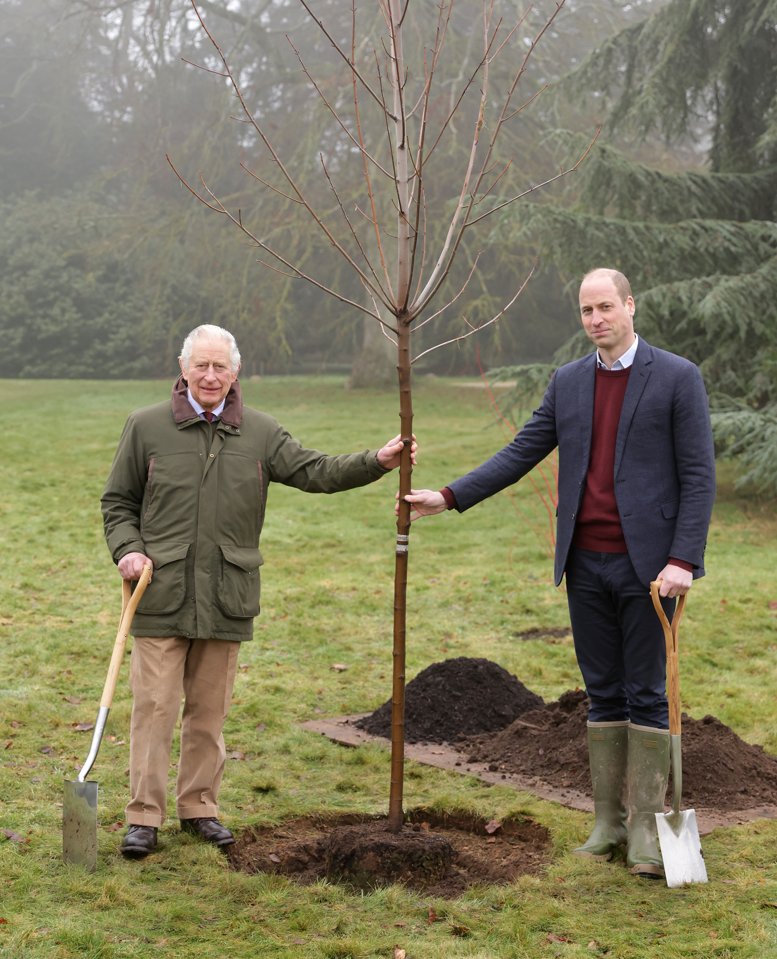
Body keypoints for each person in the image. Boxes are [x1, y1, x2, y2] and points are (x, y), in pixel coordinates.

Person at [404, 268, 716, 879]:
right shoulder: (569, 383)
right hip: (583, 562)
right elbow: (522, 451)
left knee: (646, 691)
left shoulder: (677, 377)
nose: (596, 318)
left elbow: (699, 477)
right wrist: (450, 495)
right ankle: (608, 824)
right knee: (601, 690)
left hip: (651, 569)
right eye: (585, 310)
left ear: (630, 304)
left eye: (605, 306)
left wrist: (683, 560)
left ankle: (650, 832)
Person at [102, 323, 415, 858]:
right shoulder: (146, 427)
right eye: (200, 365)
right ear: (183, 369)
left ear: (236, 372)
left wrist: (377, 462)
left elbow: (316, 470)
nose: (209, 375)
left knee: (209, 711)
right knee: (153, 707)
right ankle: (143, 818)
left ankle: (199, 807)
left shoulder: (261, 433)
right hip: (160, 594)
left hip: (228, 594)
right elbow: (117, 503)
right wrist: (128, 548)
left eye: (220, 366)